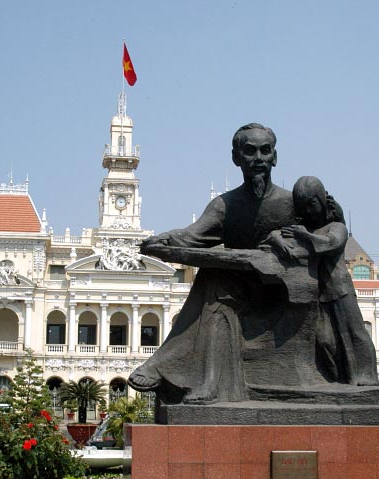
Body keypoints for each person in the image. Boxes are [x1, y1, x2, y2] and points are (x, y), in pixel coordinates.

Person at [127, 123, 322, 404]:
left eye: (265, 151)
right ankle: (210, 384)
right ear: (236, 158)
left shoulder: (291, 203)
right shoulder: (225, 205)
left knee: (216, 281)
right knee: (214, 280)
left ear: (275, 157)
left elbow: (323, 234)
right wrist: (163, 241)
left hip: (283, 292)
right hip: (241, 291)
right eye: (250, 151)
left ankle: (163, 365)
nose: (258, 158)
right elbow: (191, 236)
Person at [280, 176, 378, 385]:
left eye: (311, 204)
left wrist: (304, 236)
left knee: (354, 333)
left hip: (340, 290)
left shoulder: (336, 228)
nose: (307, 211)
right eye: (302, 207)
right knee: (324, 339)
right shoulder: (306, 231)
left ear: (322, 201)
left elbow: (329, 244)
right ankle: (336, 378)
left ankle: (367, 377)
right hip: (319, 293)